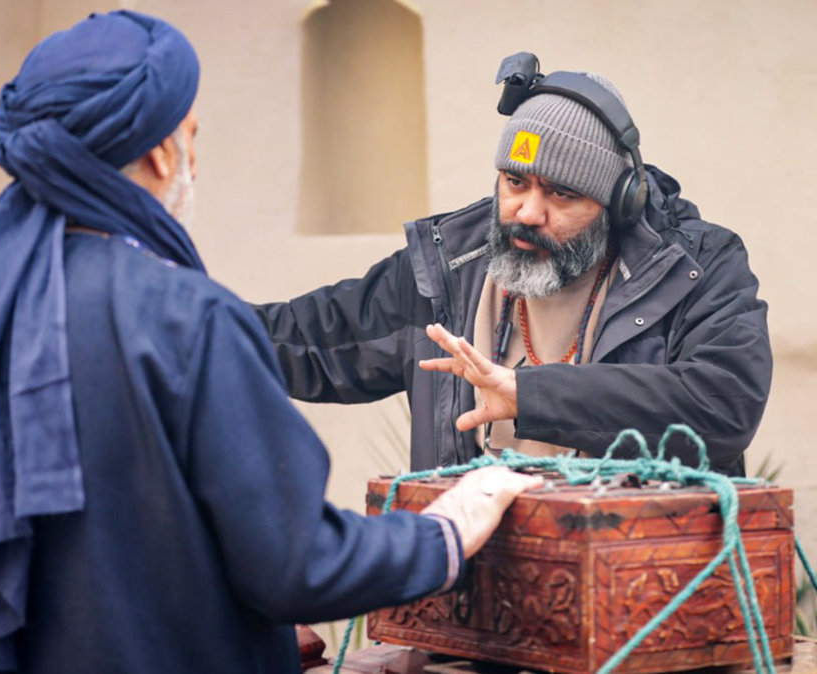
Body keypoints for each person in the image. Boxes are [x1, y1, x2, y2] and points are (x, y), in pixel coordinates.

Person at [0, 12, 540, 674]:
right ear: (164, 153)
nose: (196, 155)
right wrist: (449, 527)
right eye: (192, 134)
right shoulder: (186, 321)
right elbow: (300, 564)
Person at [254, 54, 772, 476]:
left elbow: (723, 405)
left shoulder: (697, 267)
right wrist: (187, 322)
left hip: (642, 585)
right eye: (515, 182)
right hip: (477, 588)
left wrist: (529, 395)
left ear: (618, 205)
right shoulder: (450, 264)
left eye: (562, 193)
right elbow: (311, 340)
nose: (526, 212)